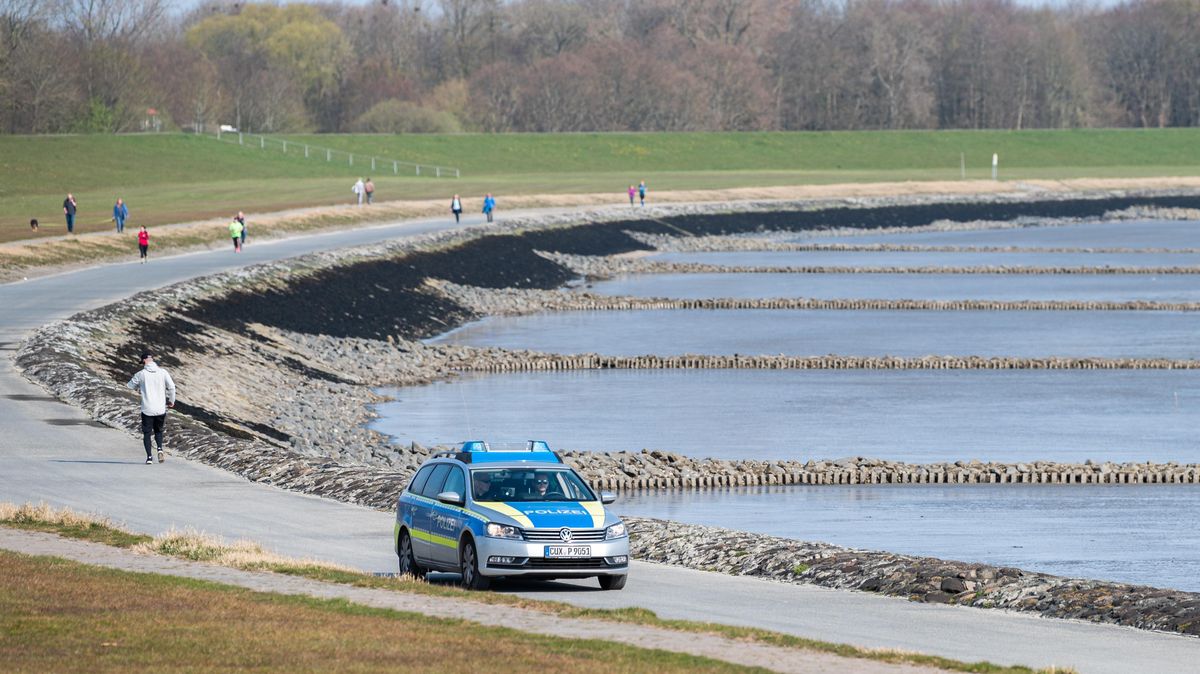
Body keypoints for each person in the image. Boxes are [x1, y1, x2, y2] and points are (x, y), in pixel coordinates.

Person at [126, 350, 176, 464]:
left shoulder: (141, 374)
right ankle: (159, 449)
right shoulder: (163, 372)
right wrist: (171, 401)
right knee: (159, 431)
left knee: (147, 433)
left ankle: (149, 458)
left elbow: (129, 386)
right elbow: (172, 387)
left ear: (144, 361)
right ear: (152, 360)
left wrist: (139, 388)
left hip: (147, 408)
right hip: (160, 408)